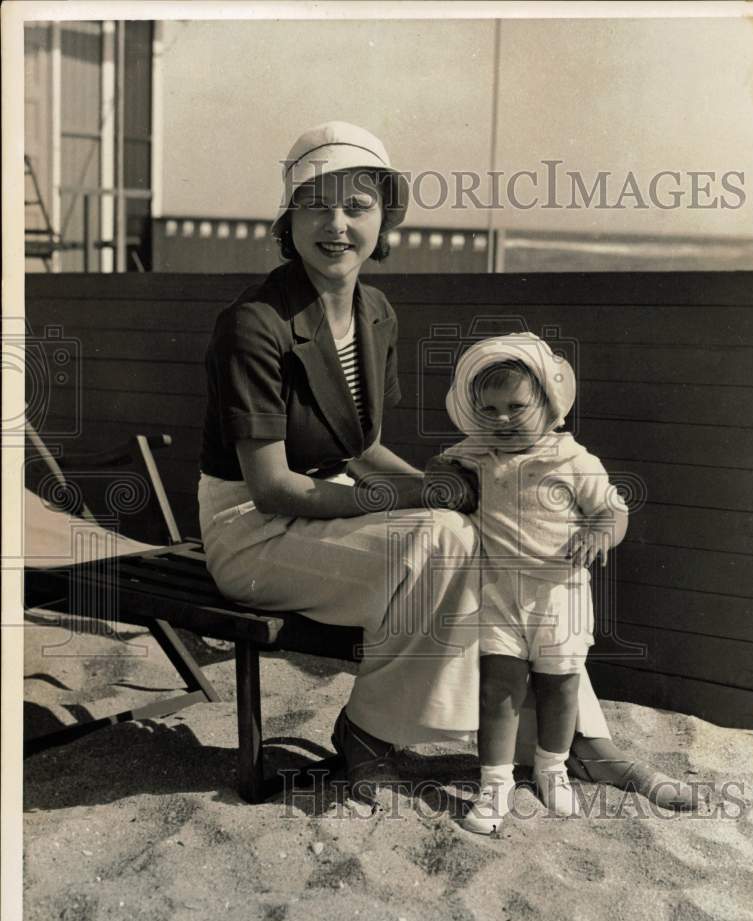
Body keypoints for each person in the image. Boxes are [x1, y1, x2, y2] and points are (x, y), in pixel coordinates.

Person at [197, 120, 694, 809]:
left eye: (357, 206)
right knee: (439, 538)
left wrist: (450, 491)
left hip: (329, 497)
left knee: (490, 531)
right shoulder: (254, 324)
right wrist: (417, 498)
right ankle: (368, 735)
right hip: (250, 529)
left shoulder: (374, 312)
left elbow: (360, 445)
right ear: (289, 218)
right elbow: (274, 487)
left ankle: (579, 738)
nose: (335, 225)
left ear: (385, 218)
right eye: (316, 205)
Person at [432, 333, 631, 833]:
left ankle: (552, 768)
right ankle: (495, 783)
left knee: (560, 687)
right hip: (498, 593)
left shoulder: (573, 459)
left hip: (559, 596)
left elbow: (613, 510)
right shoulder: (477, 453)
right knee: (498, 690)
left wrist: (599, 533)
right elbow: (439, 466)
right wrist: (446, 477)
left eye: (517, 406)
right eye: (490, 408)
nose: (502, 418)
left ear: (549, 404)